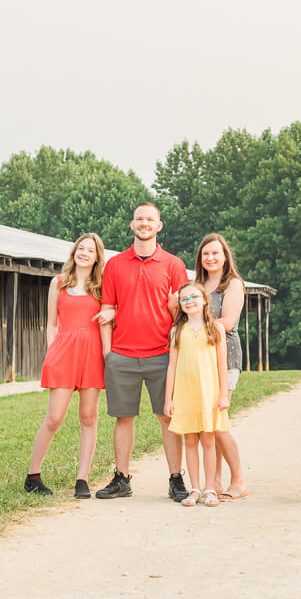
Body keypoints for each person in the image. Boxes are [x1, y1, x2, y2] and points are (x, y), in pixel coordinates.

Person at [94, 203, 190, 500]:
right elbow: (106, 310)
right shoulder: (115, 264)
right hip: (122, 354)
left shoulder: (173, 264)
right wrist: (109, 353)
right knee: (124, 418)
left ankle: (176, 478)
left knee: (167, 417)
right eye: (139, 219)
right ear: (132, 225)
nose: (144, 223)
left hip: (162, 354)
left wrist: (176, 350)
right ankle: (121, 478)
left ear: (159, 226)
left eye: (150, 219)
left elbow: (184, 312)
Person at [25, 233, 108, 499]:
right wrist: (53, 352)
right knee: (54, 418)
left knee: (88, 417)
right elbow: (51, 323)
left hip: (92, 354)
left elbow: (111, 315)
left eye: (90, 250)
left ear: (97, 257)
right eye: (80, 248)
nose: (84, 253)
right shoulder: (58, 283)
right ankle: (33, 476)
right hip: (64, 354)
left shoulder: (102, 286)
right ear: (74, 252)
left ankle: (82, 479)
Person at [164, 283, 230, 507]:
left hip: (208, 393)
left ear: (204, 299)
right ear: (180, 305)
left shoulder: (216, 328)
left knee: (208, 440)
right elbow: (171, 367)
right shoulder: (177, 331)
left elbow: (222, 364)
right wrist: (168, 399)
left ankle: (210, 488)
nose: (189, 301)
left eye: (194, 297)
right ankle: (194, 489)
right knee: (190, 440)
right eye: (184, 299)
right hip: (185, 394)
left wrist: (223, 395)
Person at [195, 233, 248, 501]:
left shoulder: (233, 285)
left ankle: (238, 478)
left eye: (216, 253)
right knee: (207, 423)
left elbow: (226, 322)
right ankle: (213, 480)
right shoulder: (196, 285)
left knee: (218, 423)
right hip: (198, 360)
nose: (211, 258)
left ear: (225, 256)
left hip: (224, 357)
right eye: (206, 254)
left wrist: (192, 325)